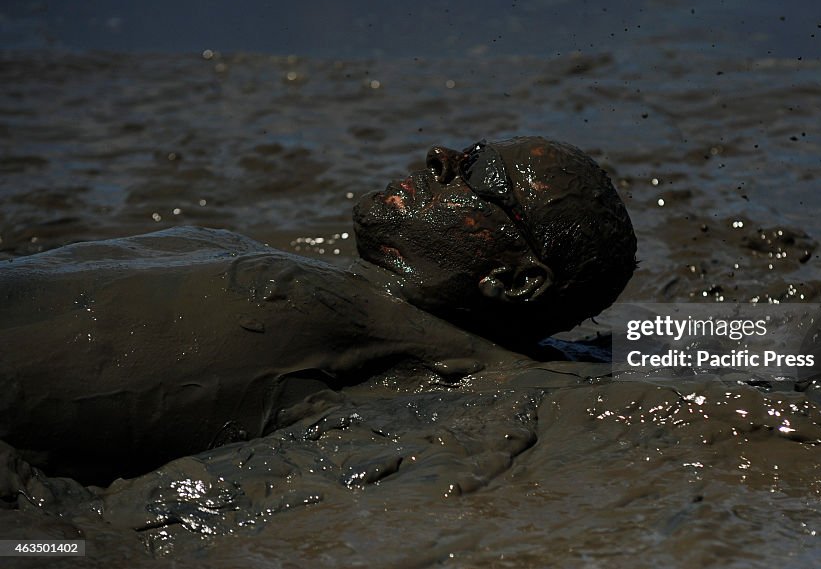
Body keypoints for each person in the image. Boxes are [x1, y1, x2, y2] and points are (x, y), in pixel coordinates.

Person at [0, 136, 636, 484]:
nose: (440, 156)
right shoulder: (349, 291)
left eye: (472, 177)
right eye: (465, 152)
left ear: (513, 280)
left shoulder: (426, 350)